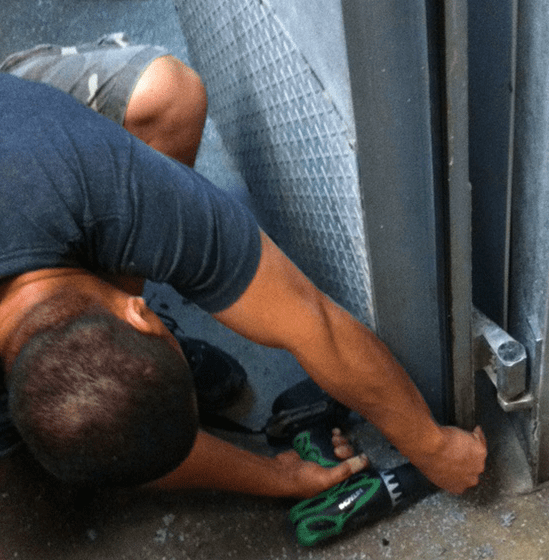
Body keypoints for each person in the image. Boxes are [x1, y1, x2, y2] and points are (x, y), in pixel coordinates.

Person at [0, 35, 486, 497]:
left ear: (139, 313)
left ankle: (122, 370)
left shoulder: (107, 184)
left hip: (18, 120)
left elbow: (312, 323)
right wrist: (276, 478)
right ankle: (120, 369)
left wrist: (432, 445)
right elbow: (114, 452)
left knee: (169, 96)